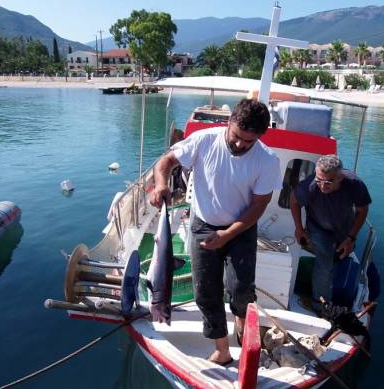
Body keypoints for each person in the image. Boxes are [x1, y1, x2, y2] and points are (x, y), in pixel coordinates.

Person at [150, 99, 282, 365]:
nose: (240, 145)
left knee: (241, 288)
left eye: (249, 141)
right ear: (229, 122)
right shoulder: (203, 140)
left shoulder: (267, 160)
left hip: (241, 227)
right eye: (236, 137)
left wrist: (227, 235)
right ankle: (222, 349)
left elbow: (258, 207)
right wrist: (161, 184)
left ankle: (241, 321)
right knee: (205, 291)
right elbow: (166, 161)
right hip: (203, 225)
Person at [290, 155, 371, 313]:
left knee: (339, 257)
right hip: (318, 228)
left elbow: (362, 210)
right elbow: (294, 201)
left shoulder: (355, 185)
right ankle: (320, 306)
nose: (323, 186)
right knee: (325, 264)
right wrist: (299, 228)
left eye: (329, 182)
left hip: (344, 228)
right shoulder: (310, 186)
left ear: (341, 177)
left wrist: (351, 238)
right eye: (319, 180)